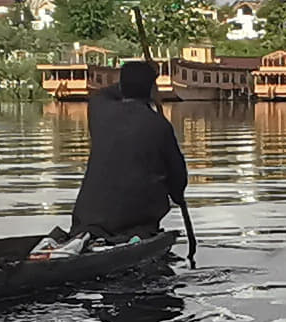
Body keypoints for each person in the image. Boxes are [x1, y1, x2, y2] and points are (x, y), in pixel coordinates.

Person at [58, 55, 192, 247]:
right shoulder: (159, 126)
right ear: (151, 90)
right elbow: (178, 179)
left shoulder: (99, 109)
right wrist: (178, 196)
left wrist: (137, 81)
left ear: (121, 86)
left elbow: (104, 93)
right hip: (135, 221)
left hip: (88, 218)